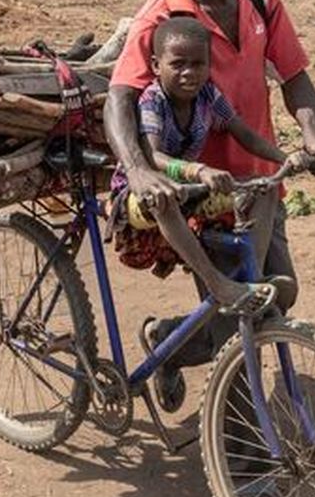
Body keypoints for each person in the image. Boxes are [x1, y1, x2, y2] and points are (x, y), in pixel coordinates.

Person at [106, 0, 315, 398]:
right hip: (203, 196)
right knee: (243, 321)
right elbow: (120, 97)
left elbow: (294, 75)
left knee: (280, 294)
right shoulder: (162, 18)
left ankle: (169, 341)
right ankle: (245, 461)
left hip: (258, 182)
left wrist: (314, 136)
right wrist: (141, 169)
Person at [113, 16, 296, 314]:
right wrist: (198, 170)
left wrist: (283, 157)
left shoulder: (209, 95)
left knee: (263, 189)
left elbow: (243, 132)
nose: (189, 73)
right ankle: (218, 285)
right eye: (178, 64)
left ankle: (254, 277)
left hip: (189, 189)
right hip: (142, 190)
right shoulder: (152, 100)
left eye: (198, 64)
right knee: (165, 200)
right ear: (157, 66)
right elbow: (154, 156)